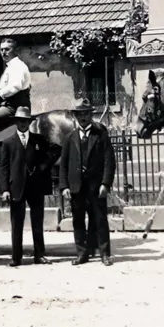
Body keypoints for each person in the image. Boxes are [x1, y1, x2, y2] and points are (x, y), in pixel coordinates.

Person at [59, 98, 116, 266]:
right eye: (79, 114)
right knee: (78, 220)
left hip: (96, 186)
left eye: (85, 113)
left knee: (100, 219)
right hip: (76, 187)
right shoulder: (70, 138)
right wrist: (64, 186)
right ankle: (81, 253)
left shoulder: (100, 135)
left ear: (91, 115)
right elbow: (63, 164)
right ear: (75, 117)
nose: (82, 117)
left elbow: (109, 161)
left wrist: (105, 184)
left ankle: (105, 254)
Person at [0, 106, 51, 266]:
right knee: (17, 222)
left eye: (26, 121)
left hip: (35, 187)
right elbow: (4, 167)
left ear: (29, 122)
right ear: (16, 122)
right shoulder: (8, 142)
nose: (23, 124)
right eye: (20, 121)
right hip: (17, 187)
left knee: (37, 221)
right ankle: (16, 257)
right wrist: (5, 189)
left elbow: (48, 157)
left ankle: (39, 255)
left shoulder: (39, 140)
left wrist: (41, 168)